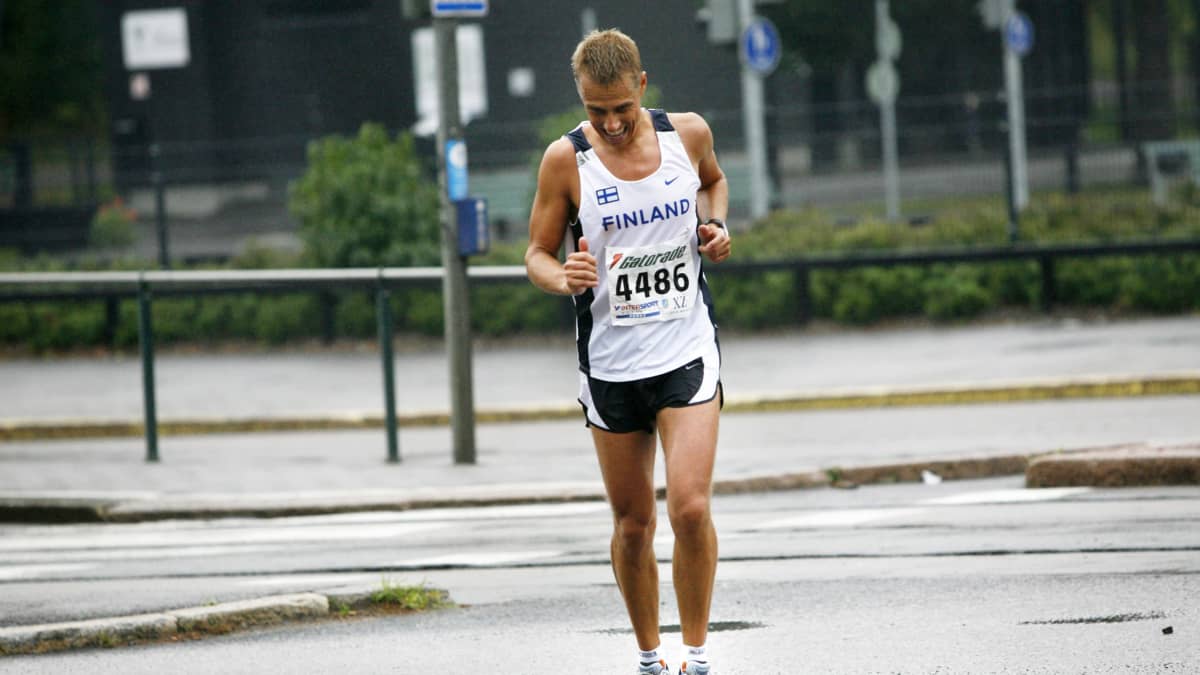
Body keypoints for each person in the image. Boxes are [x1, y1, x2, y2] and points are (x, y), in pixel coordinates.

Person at [524, 28, 732, 675]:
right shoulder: (565, 162)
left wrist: (718, 225)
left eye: (621, 107)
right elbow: (536, 251)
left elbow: (715, 183)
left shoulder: (687, 135)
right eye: (595, 111)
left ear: (642, 86)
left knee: (690, 507)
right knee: (634, 524)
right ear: (580, 102)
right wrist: (563, 277)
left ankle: (695, 656)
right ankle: (650, 656)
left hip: (685, 347)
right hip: (611, 362)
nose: (611, 123)